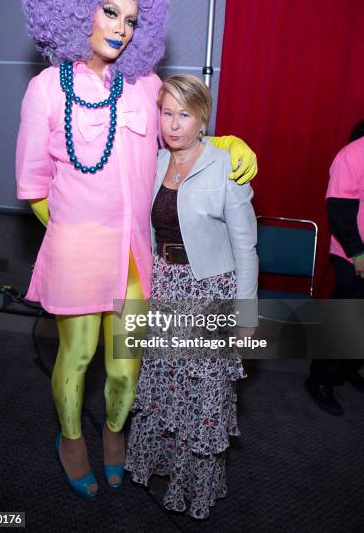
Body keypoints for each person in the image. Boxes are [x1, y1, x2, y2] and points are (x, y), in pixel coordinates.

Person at [16, 0, 258, 499]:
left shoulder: (145, 86)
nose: (121, 28)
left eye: (130, 18)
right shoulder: (45, 90)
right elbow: (32, 186)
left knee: (125, 367)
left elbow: (182, 129)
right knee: (77, 356)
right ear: (78, 9)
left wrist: (229, 145)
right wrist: (71, 233)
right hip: (75, 246)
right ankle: (72, 439)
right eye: (110, 12)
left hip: (133, 252)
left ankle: (117, 436)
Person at [125, 75, 258, 519]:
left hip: (209, 292)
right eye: (167, 113)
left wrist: (246, 311)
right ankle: (158, 465)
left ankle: (193, 487)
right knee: (163, 388)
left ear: (203, 118)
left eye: (185, 114)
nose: (174, 124)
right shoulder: (154, 160)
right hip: (163, 286)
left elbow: (246, 247)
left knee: (201, 396)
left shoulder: (225, 165)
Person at [305, 121, 364, 415]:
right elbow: (339, 210)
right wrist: (358, 253)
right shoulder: (352, 155)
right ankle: (319, 379)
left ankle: (346, 370)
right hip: (354, 256)